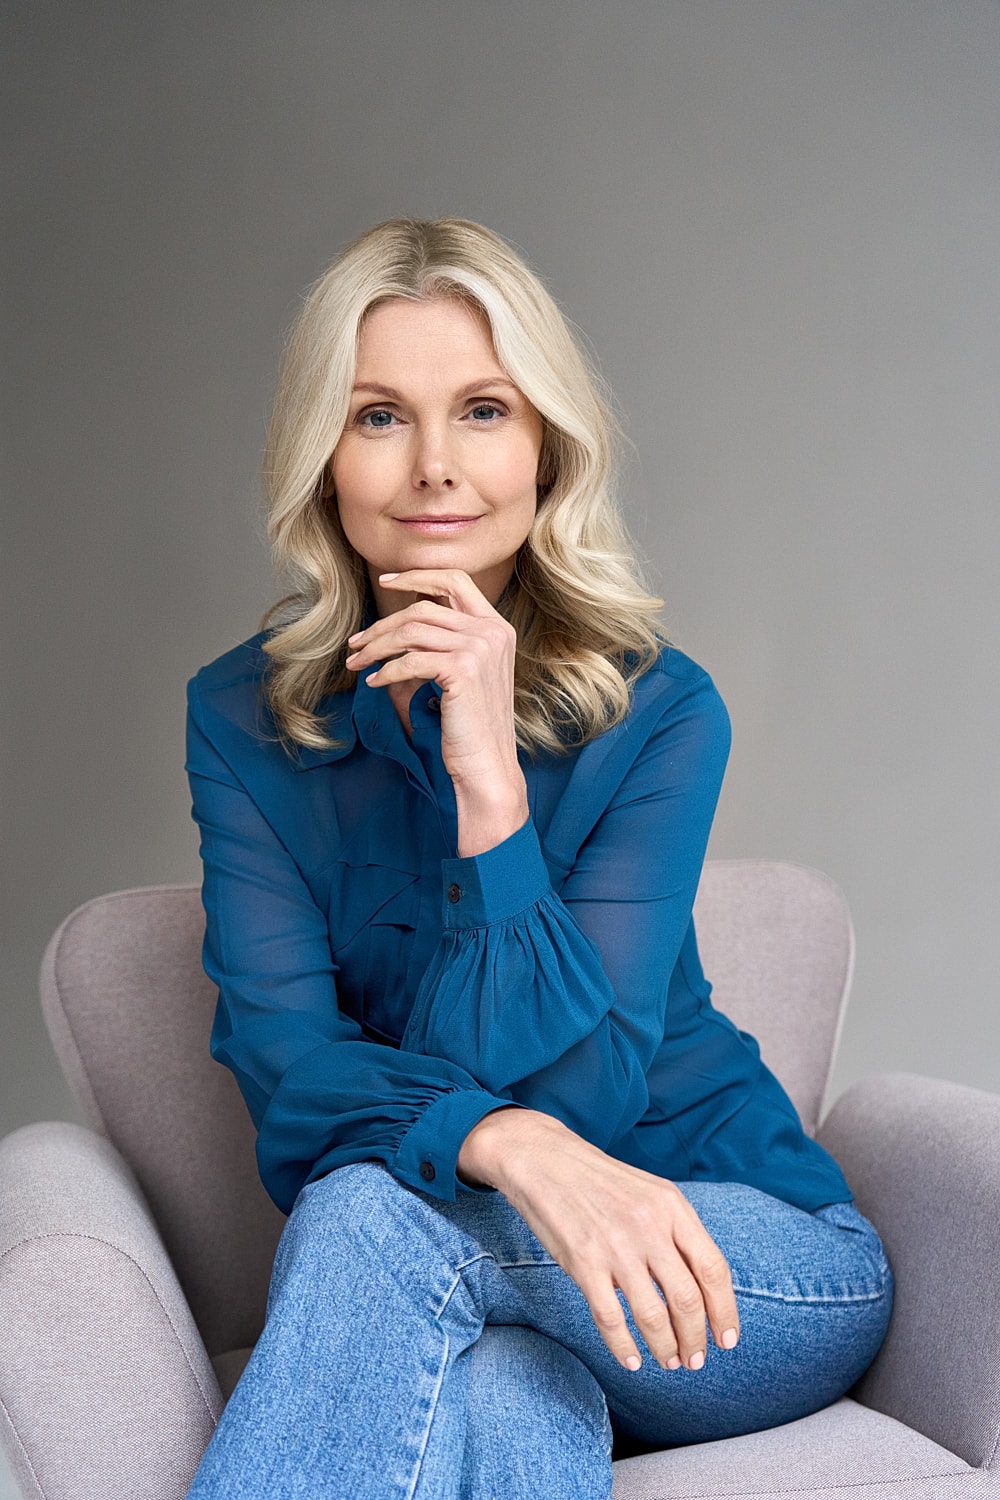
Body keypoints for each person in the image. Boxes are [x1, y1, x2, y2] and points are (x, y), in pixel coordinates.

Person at [184, 217, 892, 1499]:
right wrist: (507, 1147)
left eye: (485, 412)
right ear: (322, 457)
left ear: (547, 447)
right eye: (381, 417)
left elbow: (589, 1100)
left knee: (365, 1219)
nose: (436, 469)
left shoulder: (661, 712)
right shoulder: (240, 721)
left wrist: (490, 792)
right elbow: (291, 1083)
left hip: (735, 1256)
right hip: (505, 1274)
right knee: (509, 1393)